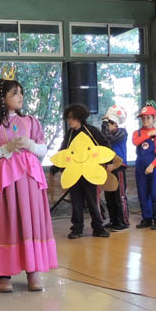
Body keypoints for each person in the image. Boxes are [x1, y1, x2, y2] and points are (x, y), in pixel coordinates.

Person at [0, 78, 57, 293]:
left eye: (21, 92)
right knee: (3, 223)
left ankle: (33, 271)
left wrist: (30, 145)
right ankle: (2, 274)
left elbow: (42, 149)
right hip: (1, 182)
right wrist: (6, 149)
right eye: (14, 93)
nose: (20, 96)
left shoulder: (30, 121)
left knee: (29, 222)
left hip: (28, 181)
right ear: (1, 98)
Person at [59, 103, 111, 240]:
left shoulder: (91, 130)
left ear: (79, 117)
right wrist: (57, 168)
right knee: (76, 202)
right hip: (75, 174)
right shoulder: (69, 134)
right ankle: (77, 228)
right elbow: (63, 151)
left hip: (90, 173)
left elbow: (104, 145)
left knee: (93, 201)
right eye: (68, 118)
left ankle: (98, 228)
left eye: (72, 118)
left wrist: (109, 162)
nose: (69, 121)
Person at [133, 106, 156, 230]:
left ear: (154, 118)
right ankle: (146, 218)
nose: (145, 120)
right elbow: (136, 142)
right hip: (140, 168)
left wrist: (153, 165)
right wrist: (148, 134)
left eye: (148, 118)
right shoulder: (137, 133)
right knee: (143, 194)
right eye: (143, 118)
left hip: (154, 168)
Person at [100, 105, 130, 231]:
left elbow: (108, 138)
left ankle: (123, 221)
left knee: (119, 196)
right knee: (109, 195)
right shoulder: (106, 133)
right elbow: (103, 138)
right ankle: (113, 220)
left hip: (118, 167)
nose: (106, 126)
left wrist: (105, 123)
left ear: (115, 123)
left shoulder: (122, 132)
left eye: (108, 123)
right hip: (108, 167)